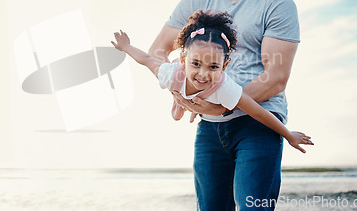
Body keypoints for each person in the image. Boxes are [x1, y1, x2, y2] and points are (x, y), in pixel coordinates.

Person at [148, 0, 304, 210]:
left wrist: (223, 104)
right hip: (210, 127)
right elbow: (157, 51)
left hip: (259, 122)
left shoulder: (277, 3)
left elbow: (276, 78)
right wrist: (181, 90)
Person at [111, 10, 312, 156]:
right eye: (196, 63)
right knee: (179, 107)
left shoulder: (225, 87)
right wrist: (126, 46)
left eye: (213, 67)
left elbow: (257, 111)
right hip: (180, 86)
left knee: (202, 95)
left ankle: (191, 103)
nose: (203, 74)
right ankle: (183, 103)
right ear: (183, 60)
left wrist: (288, 134)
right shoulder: (170, 73)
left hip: (213, 101)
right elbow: (146, 59)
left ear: (224, 67)